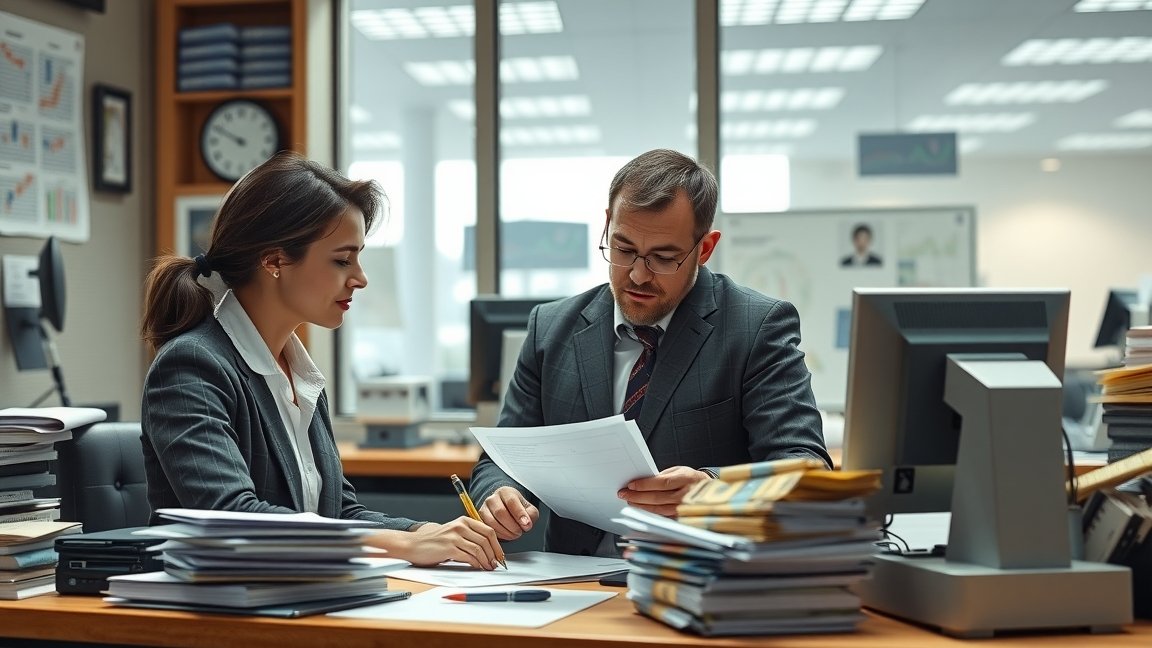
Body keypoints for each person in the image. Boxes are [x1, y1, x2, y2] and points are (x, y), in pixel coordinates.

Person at [139, 151, 502, 570]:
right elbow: (232, 516)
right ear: (274, 260)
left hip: (295, 595)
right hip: (217, 611)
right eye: (341, 260)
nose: (360, 278)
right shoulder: (191, 366)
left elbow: (339, 514)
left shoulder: (299, 373)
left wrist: (422, 533)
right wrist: (401, 547)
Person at [468, 148, 831, 556]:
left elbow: (808, 470)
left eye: (663, 258)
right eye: (623, 250)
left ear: (705, 248)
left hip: (698, 578)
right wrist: (499, 493)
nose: (638, 275)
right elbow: (499, 459)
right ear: (608, 225)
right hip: (573, 582)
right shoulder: (551, 329)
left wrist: (715, 489)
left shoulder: (755, 328)